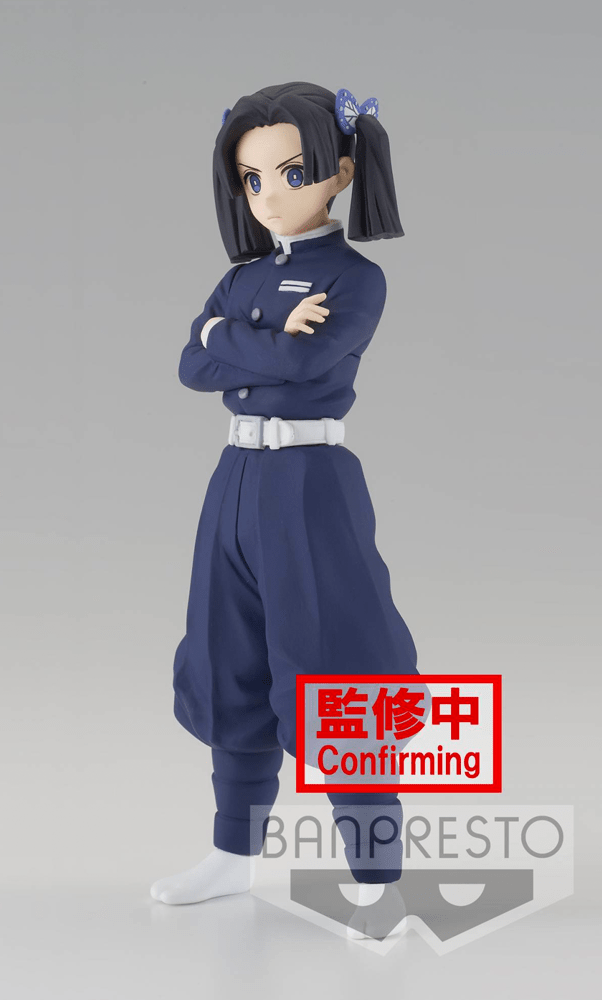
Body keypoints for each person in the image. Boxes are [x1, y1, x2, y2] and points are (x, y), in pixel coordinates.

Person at [150, 82, 417, 938]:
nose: (269, 195)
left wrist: (221, 337)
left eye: (292, 172)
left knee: (337, 664)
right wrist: (254, 339)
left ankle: (377, 880)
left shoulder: (356, 278)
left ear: (343, 169)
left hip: (309, 481)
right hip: (234, 478)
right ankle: (233, 851)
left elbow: (304, 366)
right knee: (226, 658)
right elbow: (188, 368)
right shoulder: (242, 276)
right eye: (252, 178)